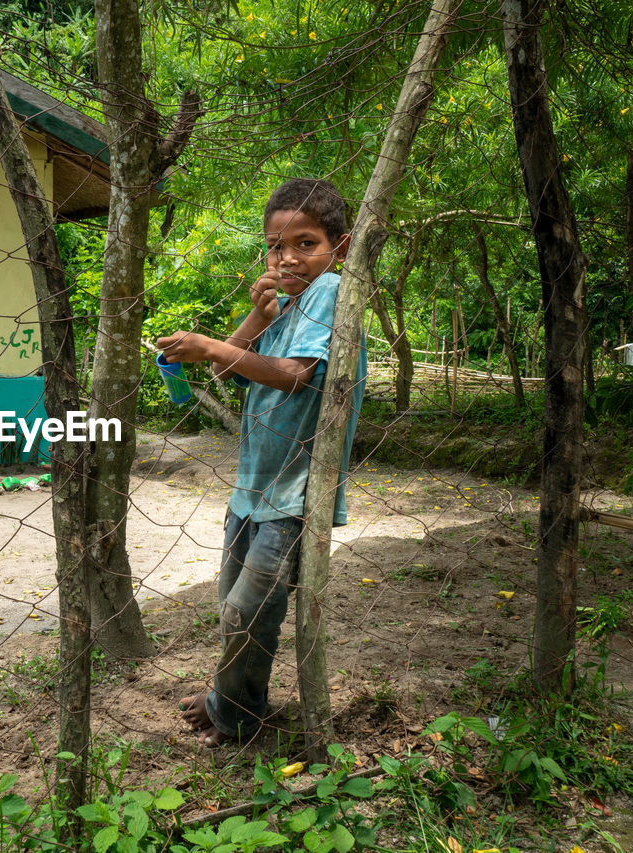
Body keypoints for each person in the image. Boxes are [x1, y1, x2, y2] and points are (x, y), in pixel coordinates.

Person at [156, 178, 367, 747]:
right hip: (253, 490)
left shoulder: (331, 292)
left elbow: (295, 375)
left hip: (295, 494)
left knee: (248, 612)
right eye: (276, 245)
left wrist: (210, 347)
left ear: (339, 249)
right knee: (235, 609)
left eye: (305, 244)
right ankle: (232, 702)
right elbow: (230, 370)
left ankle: (233, 715)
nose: (289, 257)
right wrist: (257, 313)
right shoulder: (294, 303)